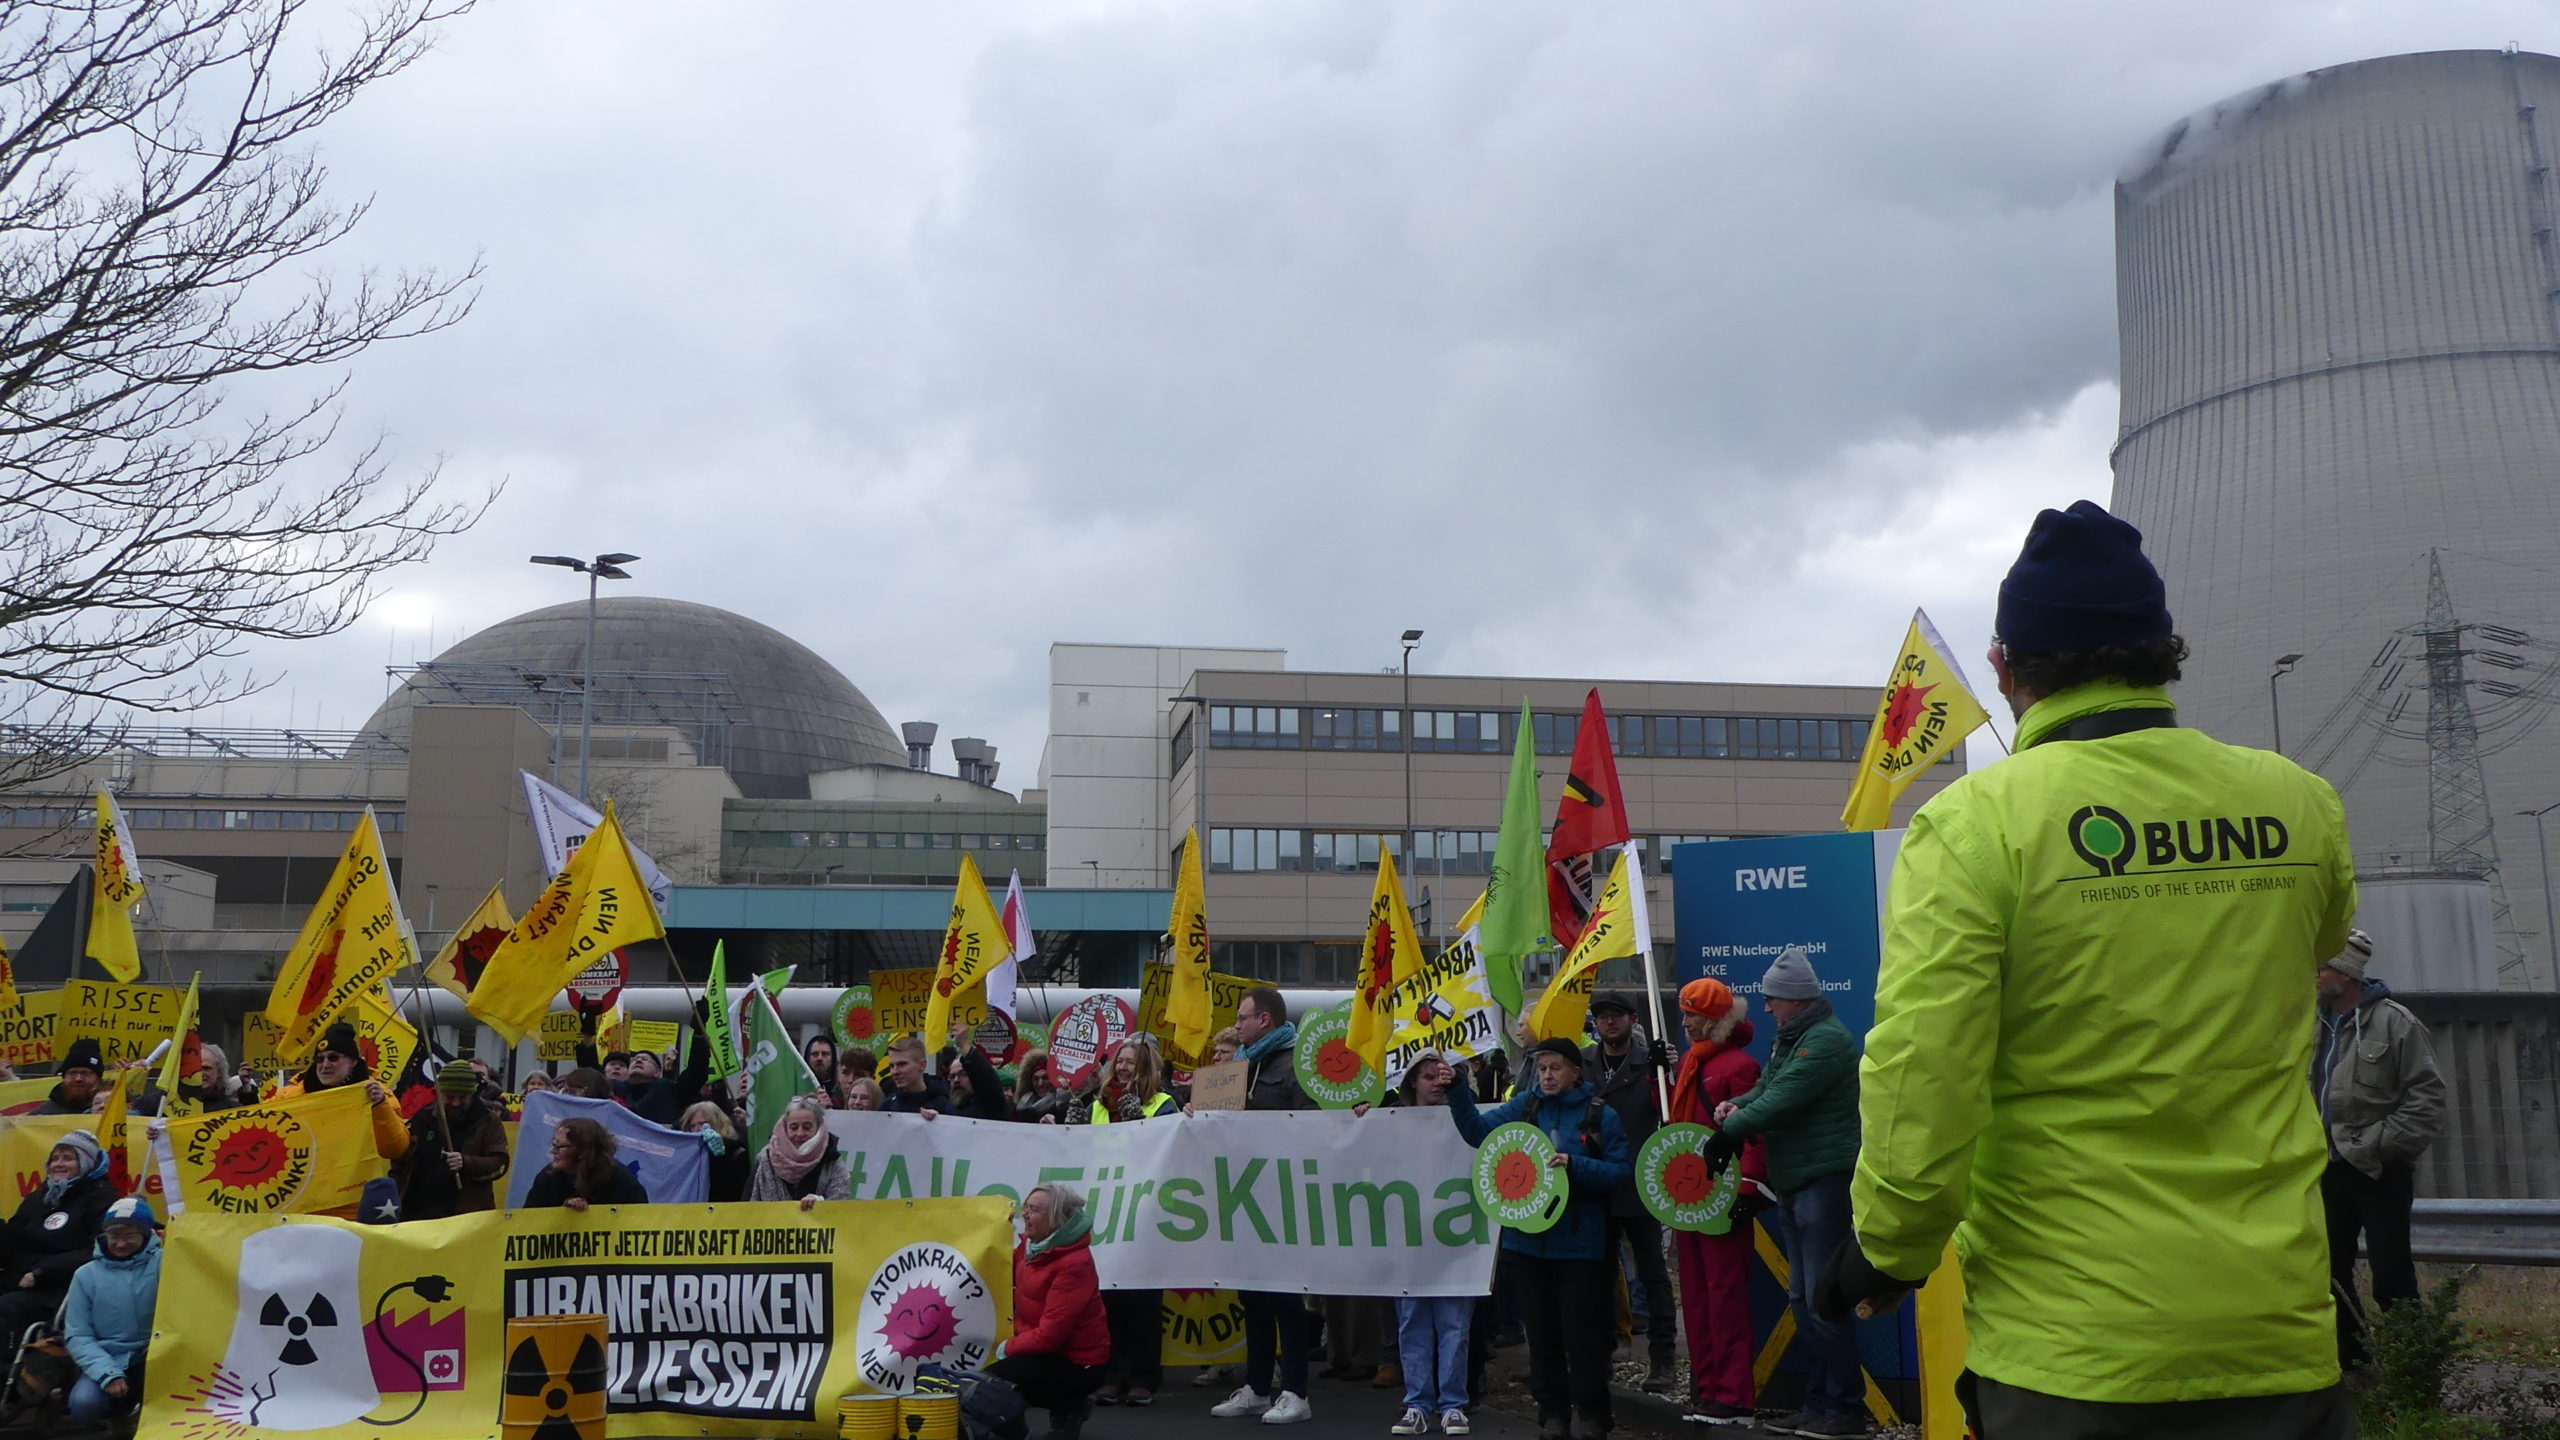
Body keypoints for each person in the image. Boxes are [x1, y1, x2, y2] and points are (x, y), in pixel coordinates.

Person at [1839, 500, 2363, 1440]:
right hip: (2279, 1335)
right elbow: (2320, 946)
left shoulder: (1973, 825)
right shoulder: (2298, 803)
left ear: (2002, 667)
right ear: (2167, 648)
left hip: (2075, 1352)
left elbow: (1925, 1069)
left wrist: (1888, 1250)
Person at [1703, 947, 1863, 1437]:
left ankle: (1846, 1410)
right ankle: (1818, 1404)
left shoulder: (1827, 1042)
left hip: (1824, 1181)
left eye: (1772, 999)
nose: (1767, 1007)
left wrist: (1731, 1129)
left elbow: (1785, 1097)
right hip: (1796, 1180)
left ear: (1794, 999)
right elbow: (1769, 1089)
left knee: (1821, 1299)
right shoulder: (1792, 1039)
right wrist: (1735, 1105)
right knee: (1802, 1299)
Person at [1450, 1035, 1629, 1440]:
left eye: (1555, 1068)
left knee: (1584, 1336)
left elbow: (1621, 1173)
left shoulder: (1601, 1114)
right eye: (1542, 1068)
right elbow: (1478, 1132)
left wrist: (1575, 1165)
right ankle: (1552, 1413)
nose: (1547, 1076)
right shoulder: (1525, 1105)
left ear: (1574, 1072)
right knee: (1542, 1334)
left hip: (1582, 1246)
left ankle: (1593, 1415)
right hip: (1527, 1244)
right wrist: (1457, 1087)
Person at [2314, 929, 2446, 1368]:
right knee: (2328, 1272)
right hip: (2325, 1168)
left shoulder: (2396, 1023)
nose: (2314, 975)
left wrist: (2377, 1145)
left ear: (2347, 973)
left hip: (2378, 1169)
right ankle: (2356, 1365)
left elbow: (2426, 1101)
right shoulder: (2309, 1023)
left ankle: (2415, 1372)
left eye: (2323, 967)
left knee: (2391, 1275)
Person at [1210, 985, 1316, 1426]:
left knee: (1285, 1299)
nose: (1237, 1025)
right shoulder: (1240, 1068)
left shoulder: (1294, 1067)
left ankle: (1296, 1391)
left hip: (1282, 1199)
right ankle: (1256, 1387)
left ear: (1264, 1021)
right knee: (1251, 1295)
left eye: (1242, 1018)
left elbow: (1310, 1128)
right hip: (1244, 1197)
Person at [1668, 978, 1765, 1427]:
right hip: (1689, 1196)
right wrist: (1659, 1081)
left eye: (1695, 1016)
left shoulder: (1739, 1065)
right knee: (1695, 1295)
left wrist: (1746, 1186)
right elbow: (1676, 1123)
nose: (1687, 1023)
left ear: (1717, 1021)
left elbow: (1752, 1131)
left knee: (1724, 1296)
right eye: (1686, 1014)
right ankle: (1707, 1389)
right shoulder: (1690, 1060)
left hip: (1721, 1197)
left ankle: (1732, 1394)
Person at [1583, 990, 1679, 1394]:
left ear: (1633, 1019)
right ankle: (1600, 1356)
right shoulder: (1584, 1063)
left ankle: (1663, 1360)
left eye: (1617, 1016)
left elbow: (1673, 1110)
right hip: (1595, 1183)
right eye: (1602, 1016)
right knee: (1596, 1277)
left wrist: (1668, 1074)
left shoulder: (1650, 1063)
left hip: (1640, 1181)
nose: (1609, 1022)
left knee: (1653, 1277)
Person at [1077, 1036, 1174, 1408]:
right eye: (1119, 1061)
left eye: (1130, 1063)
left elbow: (1167, 1150)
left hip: (1145, 1212)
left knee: (1144, 1300)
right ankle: (1112, 1375)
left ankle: (1144, 1377)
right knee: (1109, 1299)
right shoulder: (1098, 1106)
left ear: (1145, 1068)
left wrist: (1140, 1126)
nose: (1121, 1068)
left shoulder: (1164, 1105)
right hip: (1106, 1208)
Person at [1388, 1051, 1474, 1437]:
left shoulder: (1468, 1121)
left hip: (1456, 1241)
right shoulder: (1391, 1124)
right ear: (1411, 1084)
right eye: (1427, 1076)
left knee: (1454, 1323)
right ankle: (1417, 1403)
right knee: (1412, 1322)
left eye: (1442, 1076)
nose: (1436, 1083)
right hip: (1410, 1242)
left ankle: (1453, 1404)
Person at [986, 1183, 1109, 1438]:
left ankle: (1066, 1405)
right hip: (1048, 1352)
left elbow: (1050, 1336)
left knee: (991, 1383)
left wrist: (1006, 1348)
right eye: (1026, 1208)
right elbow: (998, 1273)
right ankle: (1069, 1406)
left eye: (1035, 1210)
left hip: (1080, 1363)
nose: (1026, 1215)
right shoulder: (1030, 1248)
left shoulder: (1075, 1264)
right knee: (994, 1378)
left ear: (1057, 1219)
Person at [274, 1023, 413, 1218]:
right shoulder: (291, 1097)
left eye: (333, 1058)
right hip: (304, 1206)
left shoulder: (378, 1094)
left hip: (357, 1206)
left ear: (354, 1061)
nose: (325, 1065)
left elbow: (395, 1148)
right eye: (319, 1059)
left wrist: (379, 1106)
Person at [0, 1130, 113, 1342]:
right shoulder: (39, 1197)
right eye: (55, 1158)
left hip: (58, 1289)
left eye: (68, 1158)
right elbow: (11, 1243)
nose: (58, 1164)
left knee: (8, 1308)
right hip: (17, 1280)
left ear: (86, 1163)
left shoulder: (100, 1198)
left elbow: (97, 1250)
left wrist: (42, 1272)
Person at [63, 1195, 159, 1423]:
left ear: (145, 1235)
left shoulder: (167, 1263)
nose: (121, 1243)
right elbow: (78, 1334)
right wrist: (107, 1374)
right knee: (84, 1404)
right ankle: (119, 1419)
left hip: (155, 1355)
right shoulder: (85, 1275)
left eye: (130, 1236)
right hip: (109, 1357)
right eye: (114, 1236)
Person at [394, 1059, 511, 1219]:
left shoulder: (487, 1121)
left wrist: (466, 1162)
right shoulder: (422, 1118)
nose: (455, 1103)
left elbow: (499, 1163)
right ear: (439, 1092)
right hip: (416, 1216)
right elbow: (401, 1162)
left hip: (464, 1218)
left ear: (472, 1093)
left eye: (462, 1097)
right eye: (449, 1097)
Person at [747, 1096, 852, 1210]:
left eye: (807, 1127)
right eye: (794, 1127)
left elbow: (841, 1207)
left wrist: (820, 1203)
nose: (800, 1133)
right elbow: (748, 1207)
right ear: (785, 1128)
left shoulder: (832, 1161)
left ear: (818, 1128)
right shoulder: (765, 1159)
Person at [523, 1116, 649, 1210]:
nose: (553, 1151)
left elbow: (639, 1224)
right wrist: (561, 1213)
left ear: (582, 1150)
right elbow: (528, 1220)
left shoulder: (621, 1180)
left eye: (559, 1146)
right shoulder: (547, 1177)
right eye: (554, 1144)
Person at [684, 1101, 752, 1202]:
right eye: (692, 1126)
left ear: (717, 1123)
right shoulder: (690, 1156)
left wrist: (718, 1158)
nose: (696, 1129)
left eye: (702, 1124)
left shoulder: (736, 1152)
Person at [879, 1035, 952, 1113]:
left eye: (902, 1064)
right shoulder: (886, 1107)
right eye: (892, 1066)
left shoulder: (943, 1106)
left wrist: (938, 1121)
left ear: (922, 1065)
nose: (894, 1071)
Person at [32, 1038, 105, 1114]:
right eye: (72, 1073)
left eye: (85, 1073)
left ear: (99, 1078)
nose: (78, 1079)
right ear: (64, 1077)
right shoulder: (43, 1114)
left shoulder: (111, 1108)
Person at [1012, 1048, 1074, 1124]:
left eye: (1045, 1078)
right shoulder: (1020, 1106)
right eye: (1035, 1079)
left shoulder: (1065, 1105)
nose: (1040, 1083)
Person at [804, 1034, 840, 1102]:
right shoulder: (799, 1088)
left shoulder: (841, 1091)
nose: (819, 1058)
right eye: (815, 1054)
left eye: (824, 1054)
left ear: (833, 1059)